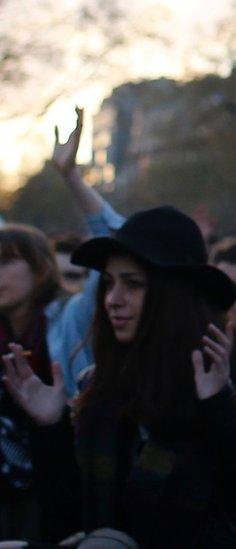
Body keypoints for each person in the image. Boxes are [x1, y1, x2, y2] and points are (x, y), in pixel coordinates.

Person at [3, 206, 236, 548]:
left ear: (172, 293)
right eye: (109, 284)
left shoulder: (233, 369)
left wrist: (221, 405)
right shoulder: (100, 385)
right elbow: (69, 520)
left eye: (133, 284)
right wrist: (50, 427)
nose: (113, 300)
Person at [0, 109, 123, 540]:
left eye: (7, 262)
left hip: (68, 490)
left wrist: (71, 177)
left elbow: (119, 241)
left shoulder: (72, 318)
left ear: (41, 269)